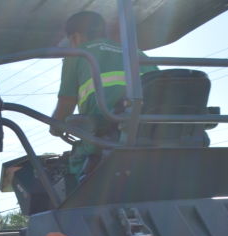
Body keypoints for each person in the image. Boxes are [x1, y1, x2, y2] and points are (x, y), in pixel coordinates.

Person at [51, 11, 156, 186]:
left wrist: (55, 127)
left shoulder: (78, 55)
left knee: (71, 167)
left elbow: (66, 103)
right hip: (155, 135)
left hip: (108, 136)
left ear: (75, 37)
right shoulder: (138, 54)